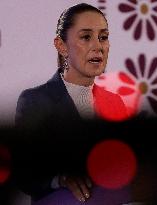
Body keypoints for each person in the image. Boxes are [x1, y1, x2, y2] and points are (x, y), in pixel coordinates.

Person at [15, 3, 128, 203]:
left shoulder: (115, 103)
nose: (98, 46)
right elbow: (25, 175)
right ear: (61, 45)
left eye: (103, 37)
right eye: (86, 37)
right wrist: (61, 180)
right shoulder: (35, 100)